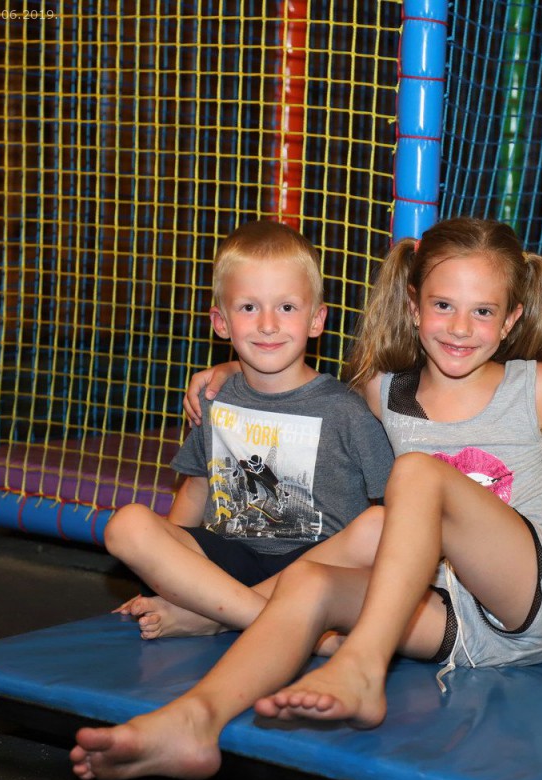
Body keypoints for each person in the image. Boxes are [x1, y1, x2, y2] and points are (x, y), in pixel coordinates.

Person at [69, 217, 542, 780]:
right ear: (413, 307)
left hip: (532, 595)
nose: (460, 328)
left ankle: (361, 666)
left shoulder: (533, 387)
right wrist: (229, 370)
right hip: (445, 614)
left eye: (482, 312)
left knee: (416, 477)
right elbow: (295, 387)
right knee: (316, 581)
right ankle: (194, 720)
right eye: (443, 306)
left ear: (510, 320)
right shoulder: (382, 392)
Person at [107, 219, 394, 640]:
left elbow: (392, 504)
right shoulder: (214, 397)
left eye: (287, 308)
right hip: (228, 564)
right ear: (221, 322)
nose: (267, 324)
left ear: (316, 320)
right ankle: (271, 622)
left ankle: (218, 617)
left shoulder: (346, 409)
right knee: (127, 525)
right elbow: (196, 490)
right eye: (248, 308)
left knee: (383, 525)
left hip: (315, 571)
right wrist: (163, 577)